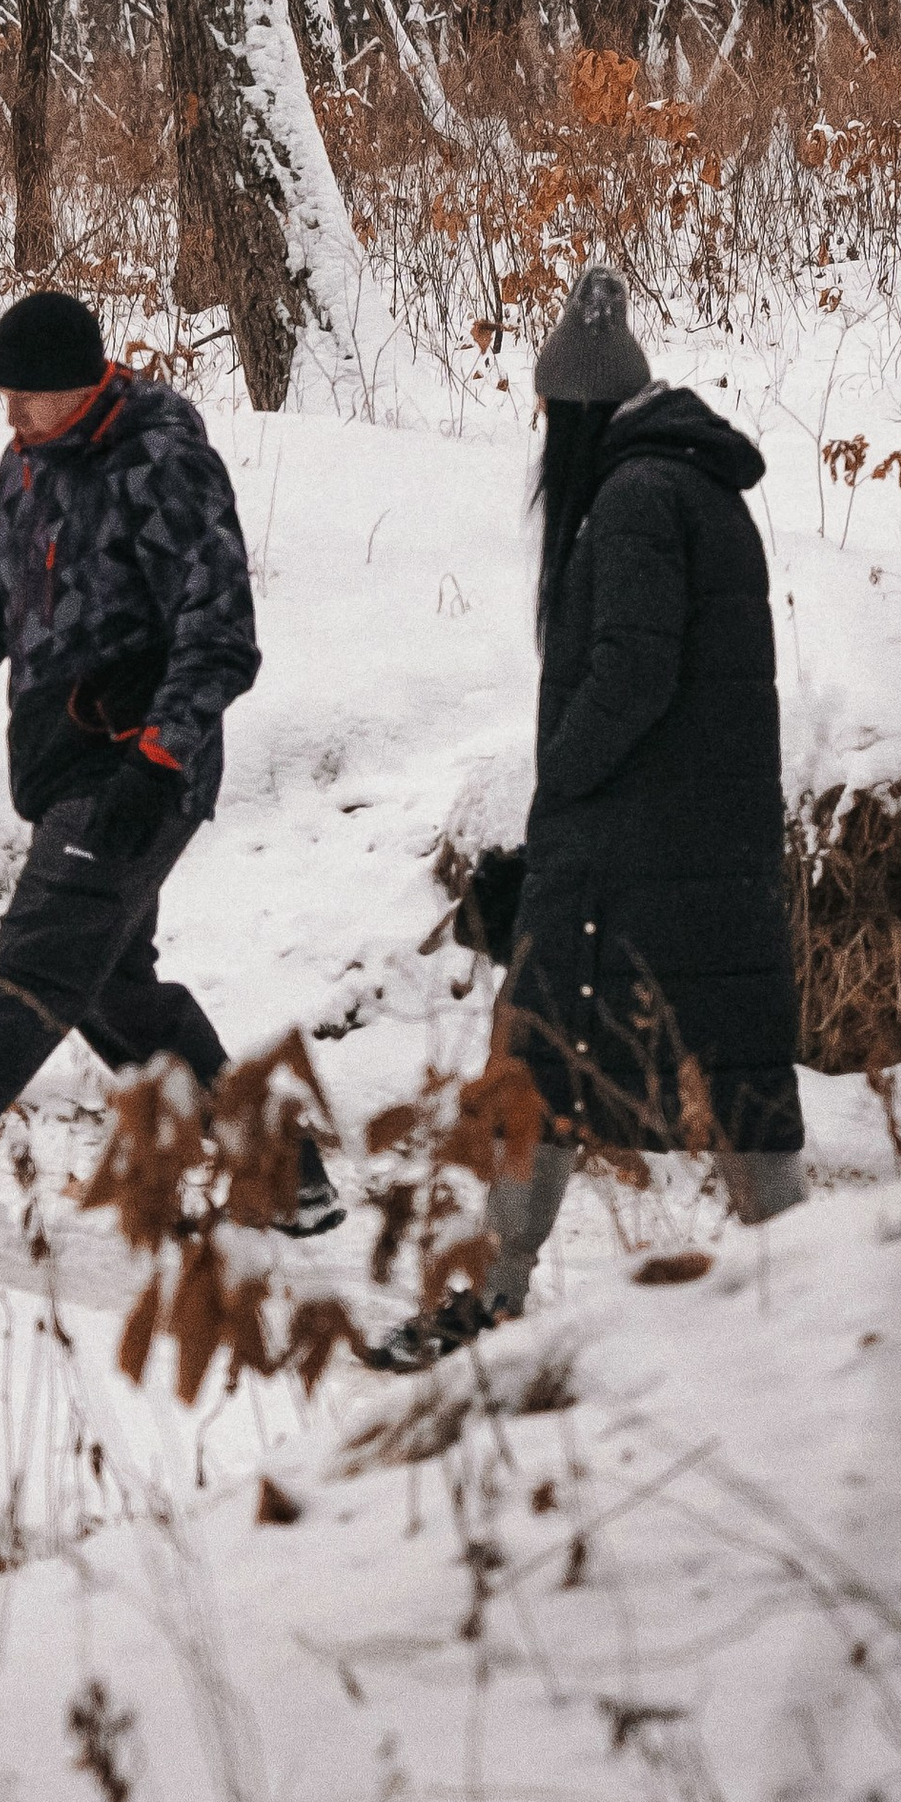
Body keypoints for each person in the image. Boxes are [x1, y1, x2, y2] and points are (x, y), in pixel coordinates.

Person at [0, 289, 343, 1260]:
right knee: (115, 994)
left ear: (81, 383)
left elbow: (220, 633)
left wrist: (159, 756)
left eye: (25, 396)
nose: (8, 413)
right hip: (66, 771)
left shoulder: (162, 462)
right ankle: (281, 1173)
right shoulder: (28, 470)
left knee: (31, 975)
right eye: (4, 394)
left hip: (135, 771)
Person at [370, 265, 804, 1368]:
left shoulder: (631, 499)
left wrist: (554, 789)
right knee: (739, 1070)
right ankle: (814, 1293)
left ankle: (491, 1298)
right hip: (702, 849)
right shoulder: (693, 487)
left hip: (629, 855)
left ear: (571, 416)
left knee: (534, 1064)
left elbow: (629, 677)